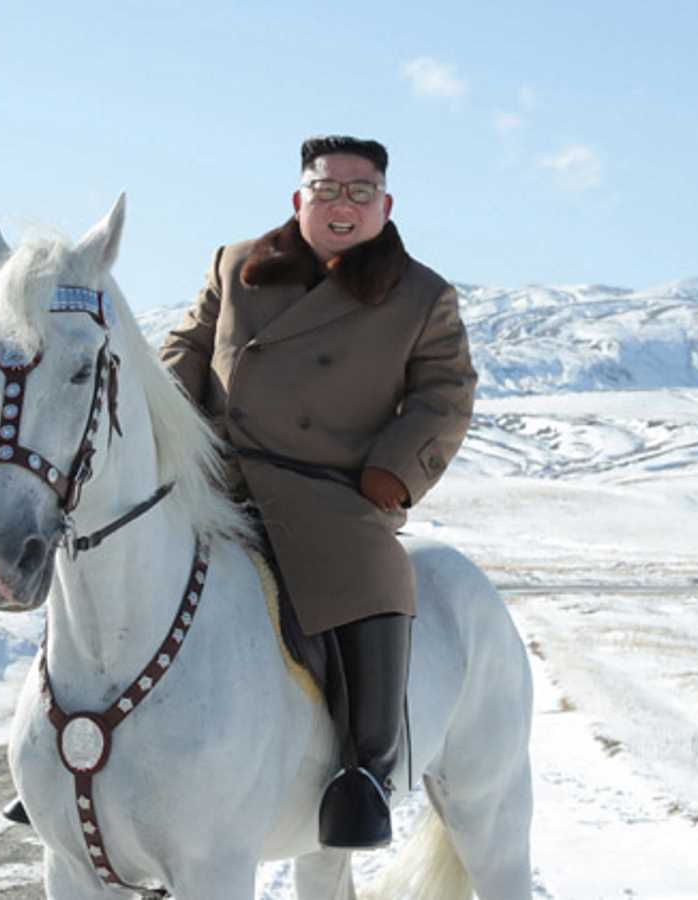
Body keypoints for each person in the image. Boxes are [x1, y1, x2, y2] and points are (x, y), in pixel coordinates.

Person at [160, 135, 477, 849]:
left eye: (361, 192)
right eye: (326, 189)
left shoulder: (421, 295)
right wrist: (165, 417)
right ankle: (70, 745)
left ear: (385, 207)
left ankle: (364, 774)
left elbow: (446, 393)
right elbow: (188, 345)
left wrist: (392, 472)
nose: (343, 204)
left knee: (374, 573)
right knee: (110, 541)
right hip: (215, 474)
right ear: (298, 198)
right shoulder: (236, 263)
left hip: (329, 489)